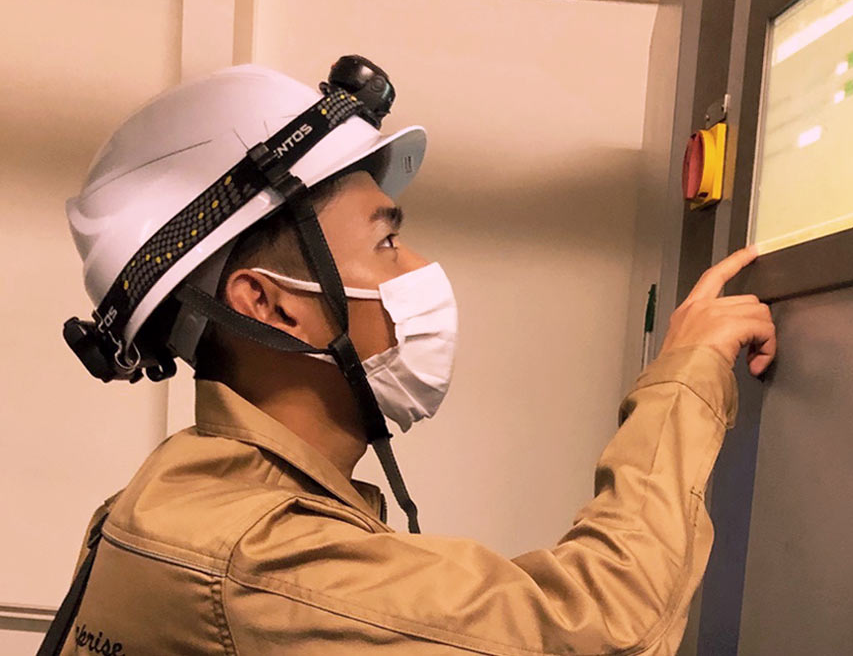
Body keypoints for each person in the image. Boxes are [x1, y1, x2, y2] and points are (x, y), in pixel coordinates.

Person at [44, 60, 776, 655]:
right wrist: (685, 372)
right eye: (386, 242)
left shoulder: (179, 495)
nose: (419, 265)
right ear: (267, 303)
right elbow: (603, 625)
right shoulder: (252, 562)